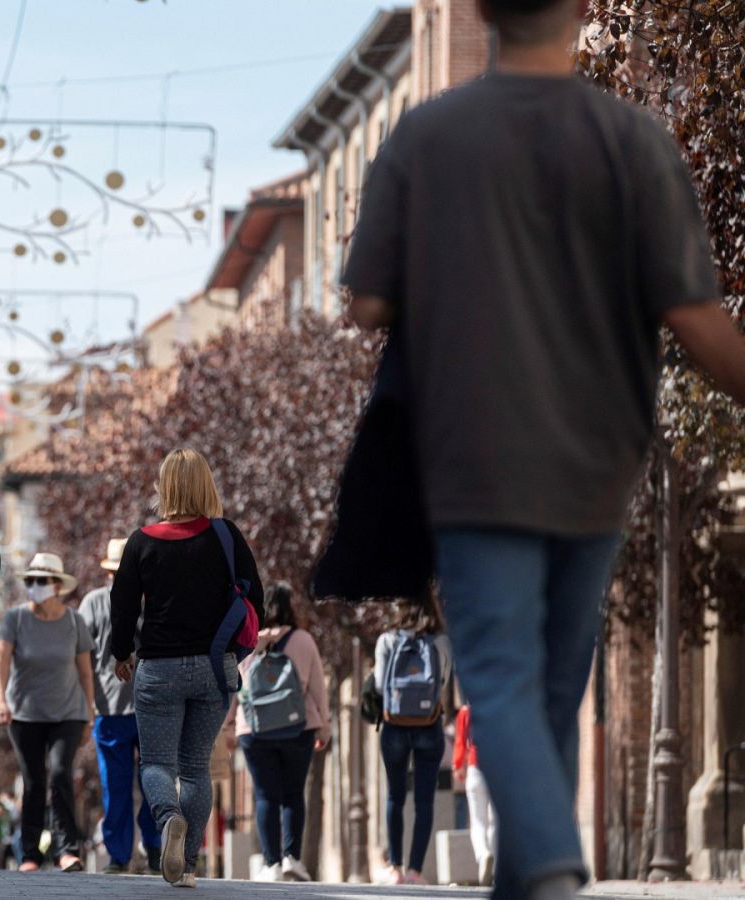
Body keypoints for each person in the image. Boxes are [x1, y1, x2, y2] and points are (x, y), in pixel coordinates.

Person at [341, 1, 745, 898]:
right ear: (580, 11)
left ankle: (551, 873)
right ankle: (532, 883)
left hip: (473, 456)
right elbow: (702, 324)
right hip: (598, 461)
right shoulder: (634, 141)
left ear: (478, 14)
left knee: (503, 680)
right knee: (553, 686)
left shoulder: (427, 137)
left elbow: (365, 302)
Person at [112, 448, 263, 890]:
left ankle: (169, 818)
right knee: (195, 767)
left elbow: (122, 608)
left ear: (165, 486)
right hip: (215, 669)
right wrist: (233, 647)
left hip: (158, 668)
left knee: (157, 763)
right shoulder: (226, 536)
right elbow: (258, 603)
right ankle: (190, 864)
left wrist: (122, 652)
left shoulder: (141, 541)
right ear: (206, 485)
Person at [0, 552, 94, 873]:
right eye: (31, 581)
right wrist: (0, 702)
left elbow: (86, 672)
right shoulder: (16, 619)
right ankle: (31, 854)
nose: (35, 586)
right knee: (34, 781)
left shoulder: (74, 621)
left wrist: (90, 715)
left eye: (42, 581)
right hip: (24, 714)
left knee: (61, 775)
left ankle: (67, 851)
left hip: (68, 713)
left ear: (58, 586)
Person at [76, 537, 161, 876]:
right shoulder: (94, 603)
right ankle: (118, 853)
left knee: (154, 779)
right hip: (109, 708)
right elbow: (81, 655)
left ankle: (154, 847)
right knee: (115, 785)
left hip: (151, 705)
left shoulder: (154, 601)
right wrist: (86, 706)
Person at [234, 584, 331, 882]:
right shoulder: (303, 640)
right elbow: (317, 685)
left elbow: (234, 684)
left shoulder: (248, 640)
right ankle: (292, 858)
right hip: (297, 728)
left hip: (254, 729)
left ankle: (271, 863)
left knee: (265, 796)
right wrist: (324, 725)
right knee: (292, 794)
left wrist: (226, 727)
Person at [373, 599, 452, 885]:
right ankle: (415, 871)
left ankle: (394, 867)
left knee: (394, 796)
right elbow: (442, 682)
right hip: (429, 725)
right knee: (424, 800)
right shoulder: (441, 641)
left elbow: (382, 685)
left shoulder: (386, 640)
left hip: (394, 727)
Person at [454, 703, 496, 887]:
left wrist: (458, 766)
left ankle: (483, 854)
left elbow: (460, 741)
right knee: (495, 820)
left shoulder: (466, 711)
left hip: (475, 768)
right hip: (498, 769)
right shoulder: (502, 704)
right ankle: (495, 865)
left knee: (478, 821)